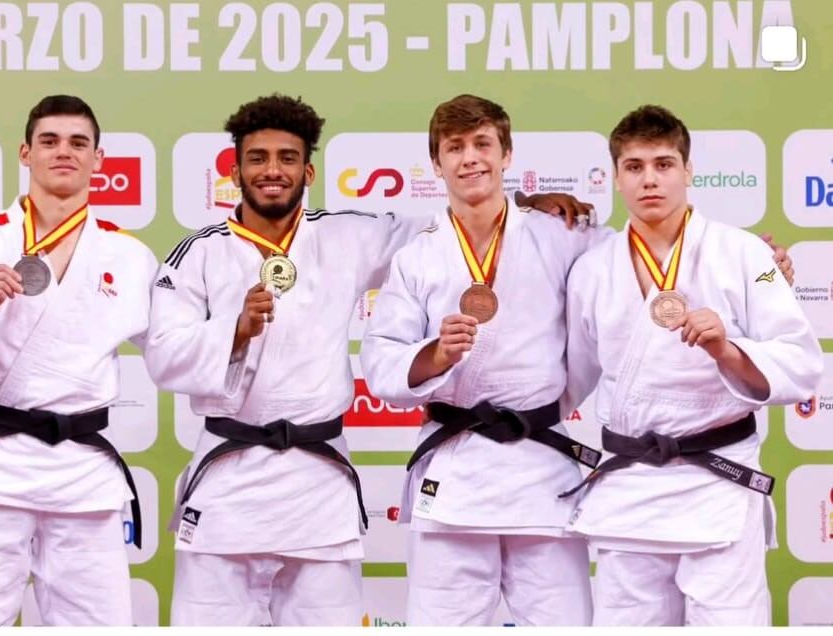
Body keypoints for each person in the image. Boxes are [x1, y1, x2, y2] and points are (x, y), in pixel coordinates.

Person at [143, 93, 585, 626]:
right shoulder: (198, 252)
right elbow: (163, 355)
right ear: (235, 172)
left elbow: (452, 227)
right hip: (226, 484)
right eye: (257, 158)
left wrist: (527, 207)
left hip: (317, 484)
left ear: (308, 171)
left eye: (287, 158)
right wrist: (233, 331)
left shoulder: (347, 234)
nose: (272, 170)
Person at [0, 95, 157, 626]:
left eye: (78, 143)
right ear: (25, 153)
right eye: (49, 141)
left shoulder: (131, 256)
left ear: (98, 159)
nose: (64, 152)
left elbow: (177, 351)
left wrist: (237, 331)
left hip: (83, 476)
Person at [561, 104, 822, 626]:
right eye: (634, 166)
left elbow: (799, 360)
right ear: (615, 178)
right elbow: (570, 379)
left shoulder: (750, 256)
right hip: (631, 488)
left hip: (717, 484)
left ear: (688, 171)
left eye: (664, 164)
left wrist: (727, 348)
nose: (649, 179)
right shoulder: (591, 270)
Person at [359, 94, 609, 626]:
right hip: (455, 476)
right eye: (455, 147)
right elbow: (381, 361)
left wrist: (753, 270)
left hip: (541, 471)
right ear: (436, 164)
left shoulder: (560, 234)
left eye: (482, 144)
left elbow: (638, 265)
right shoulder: (417, 255)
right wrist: (435, 353)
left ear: (506, 154)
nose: (470, 158)